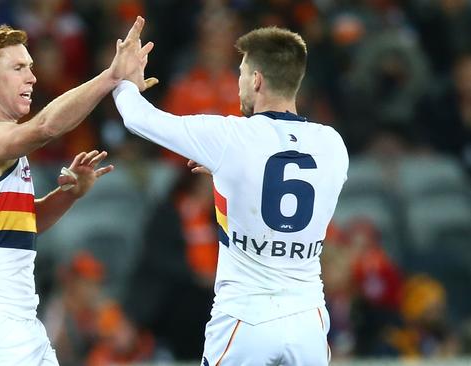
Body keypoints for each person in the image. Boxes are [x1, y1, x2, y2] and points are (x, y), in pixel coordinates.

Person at [113, 24, 349, 365]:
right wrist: (235, 173)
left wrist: (125, 81)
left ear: (256, 79)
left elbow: (138, 119)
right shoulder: (333, 145)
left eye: (240, 73)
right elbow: (288, 180)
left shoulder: (231, 137)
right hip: (308, 320)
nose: (238, 82)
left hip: (245, 318)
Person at [0, 17, 151, 365]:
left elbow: (24, 223)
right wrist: (112, 76)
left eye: (31, 66)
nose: (32, 77)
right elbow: (46, 127)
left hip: (21, 324)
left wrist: (68, 195)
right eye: (18, 67)